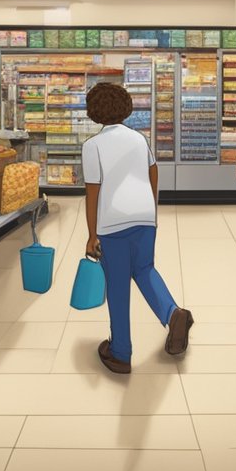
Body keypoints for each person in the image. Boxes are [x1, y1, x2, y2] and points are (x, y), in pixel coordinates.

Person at [82, 82, 193, 374]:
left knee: (118, 285)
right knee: (144, 270)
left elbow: (92, 193)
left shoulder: (92, 146)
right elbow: (153, 172)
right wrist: (150, 209)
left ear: (94, 112)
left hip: (112, 222)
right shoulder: (138, 140)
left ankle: (120, 352)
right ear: (125, 107)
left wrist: (92, 235)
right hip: (144, 217)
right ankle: (173, 313)